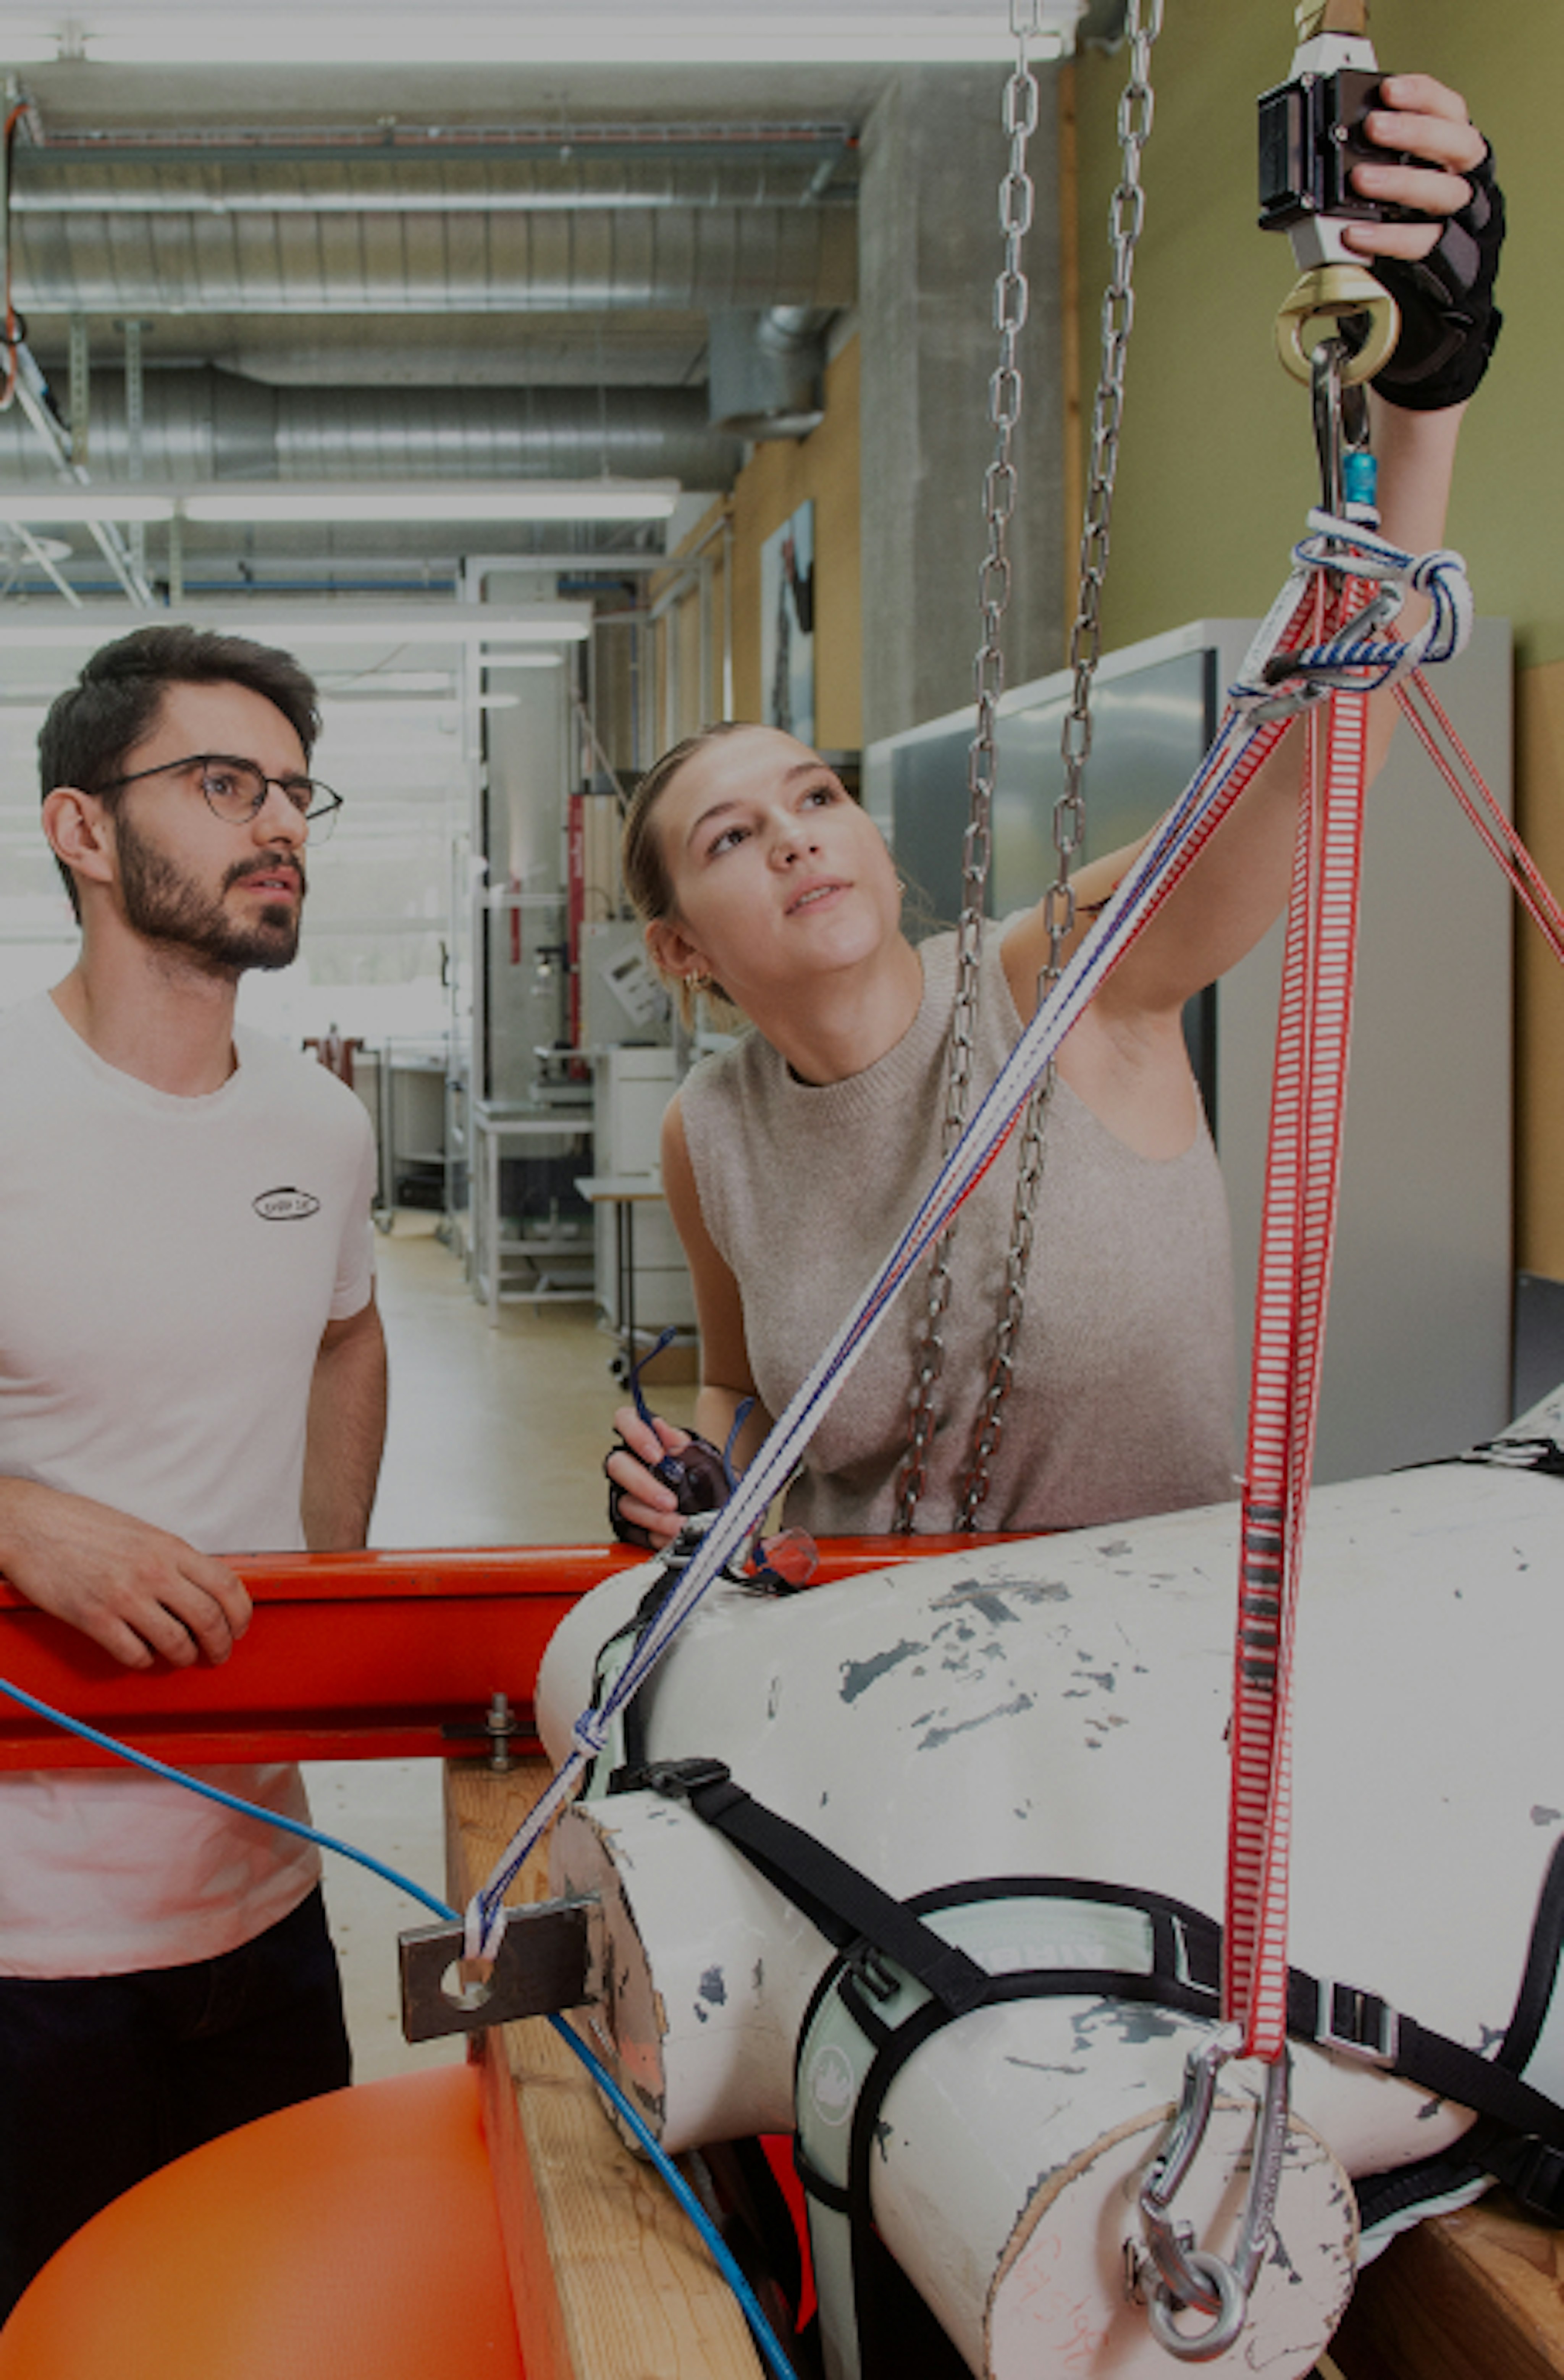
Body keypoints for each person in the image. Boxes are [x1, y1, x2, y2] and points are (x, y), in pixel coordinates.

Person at [605, 74, 1498, 1546]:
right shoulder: (712, 1132)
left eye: (814, 794)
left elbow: (1321, 758)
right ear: (683, 949)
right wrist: (696, 1472)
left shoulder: (1064, 978)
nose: (796, 835)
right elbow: (739, 1390)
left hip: (1144, 1647)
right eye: (731, 838)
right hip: (867, 1656)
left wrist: (1426, 399)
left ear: (873, 839)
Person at [0, 625, 387, 2317]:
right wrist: (14, 1514)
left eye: (295, 790)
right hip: (27, 1943)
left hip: (261, 1895)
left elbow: (348, 1333)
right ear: (81, 827)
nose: (280, 822)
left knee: (278, 2324)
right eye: (225, 784)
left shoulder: (320, 1125)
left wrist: (331, 1587)